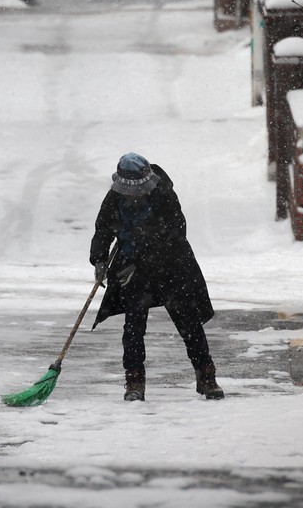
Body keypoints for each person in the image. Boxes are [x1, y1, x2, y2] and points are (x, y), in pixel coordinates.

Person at [89, 153, 224, 402]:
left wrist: (140, 256)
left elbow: (176, 234)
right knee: (133, 328)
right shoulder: (114, 198)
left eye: (138, 189)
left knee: (189, 325)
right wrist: (99, 259)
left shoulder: (164, 194)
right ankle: (134, 382)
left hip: (172, 268)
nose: (134, 194)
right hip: (133, 273)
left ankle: (206, 378)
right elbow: (103, 229)